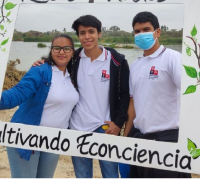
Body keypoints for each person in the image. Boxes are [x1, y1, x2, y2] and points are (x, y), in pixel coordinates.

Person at [124, 11, 200, 179]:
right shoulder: (135, 65)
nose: (141, 34)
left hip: (168, 139)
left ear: (157, 32)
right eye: (137, 31)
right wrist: (126, 137)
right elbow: (133, 103)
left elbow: (197, 94)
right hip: (140, 138)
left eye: (146, 29)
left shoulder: (174, 59)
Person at [34, 15, 130, 179]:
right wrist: (42, 62)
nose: (87, 37)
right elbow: (57, 61)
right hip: (77, 127)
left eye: (91, 32)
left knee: (111, 175)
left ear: (99, 33)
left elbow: (124, 95)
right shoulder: (74, 59)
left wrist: (118, 123)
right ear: (78, 36)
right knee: (83, 175)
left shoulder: (117, 61)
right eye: (82, 33)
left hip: (106, 128)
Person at [0, 34, 79, 179]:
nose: (61, 52)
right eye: (57, 48)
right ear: (51, 50)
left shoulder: (73, 75)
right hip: (26, 137)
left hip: (54, 141)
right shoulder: (40, 70)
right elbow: (19, 93)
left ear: (72, 52)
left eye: (66, 48)